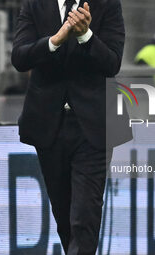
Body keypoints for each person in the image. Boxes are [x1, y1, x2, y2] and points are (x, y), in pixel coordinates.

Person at [12, 0, 131, 254]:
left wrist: (85, 36)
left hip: (95, 127)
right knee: (65, 219)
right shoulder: (34, 5)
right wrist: (55, 40)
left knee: (83, 219)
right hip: (49, 125)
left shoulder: (106, 4)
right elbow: (19, 57)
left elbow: (112, 63)